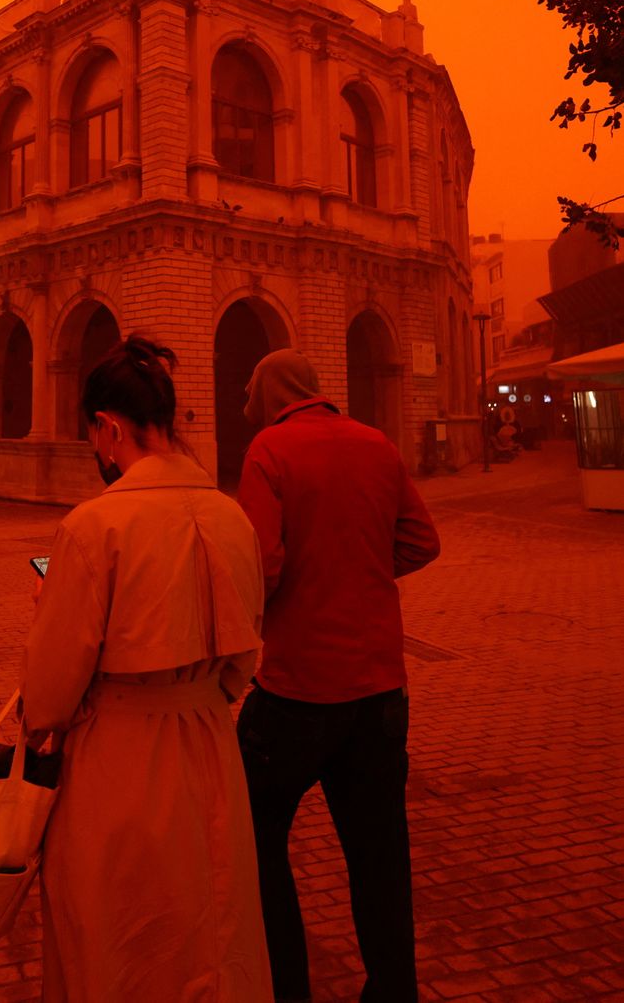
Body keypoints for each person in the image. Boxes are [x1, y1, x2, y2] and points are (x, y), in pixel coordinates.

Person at [21, 335, 274, 1003]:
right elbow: (242, 660)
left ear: (108, 428)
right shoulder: (231, 516)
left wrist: (51, 608)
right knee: (212, 930)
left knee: (121, 940)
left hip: (120, 759)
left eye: (93, 437)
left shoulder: (94, 525)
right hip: (210, 745)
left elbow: (47, 695)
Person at [235, 349, 440, 1003]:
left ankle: (286, 986)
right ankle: (392, 989)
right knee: (380, 853)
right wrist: (359, 571)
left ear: (270, 395)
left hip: (296, 690)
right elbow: (421, 540)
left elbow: (260, 567)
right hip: (381, 689)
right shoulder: (375, 444)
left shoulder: (269, 451)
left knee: (254, 834)